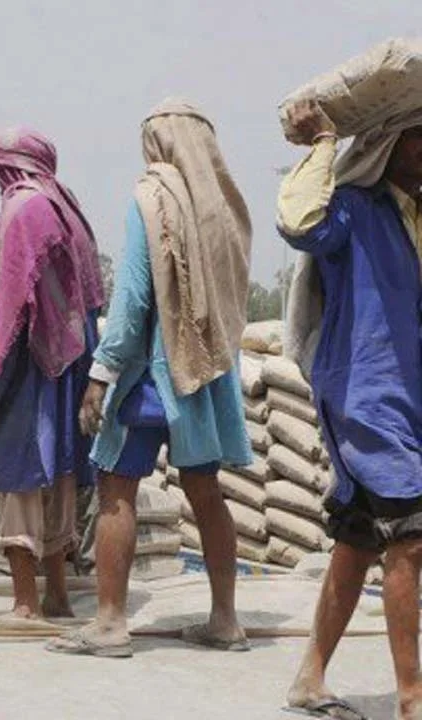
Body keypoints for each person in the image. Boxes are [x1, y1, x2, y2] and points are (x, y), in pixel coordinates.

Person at [52, 99, 254, 659]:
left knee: (117, 489)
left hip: (150, 376)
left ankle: (111, 623)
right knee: (206, 493)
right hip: (207, 374)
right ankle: (226, 620)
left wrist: (101, 373)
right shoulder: (225, 207)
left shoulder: (152, 198)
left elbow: (134, 297)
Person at [279, 99, 422, 720]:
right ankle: (413, 698)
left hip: (409, 397)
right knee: (411, 540)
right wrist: (323, 146)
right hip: (365, 391)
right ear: (391, 144)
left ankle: (310, 678)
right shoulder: (356, 211)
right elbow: (301, 222)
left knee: (359, 538)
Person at [0, 128, 105, 620]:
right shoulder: (65, 204)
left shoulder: (22, 209)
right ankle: (59, 594)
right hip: (71, 360)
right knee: (60, 473)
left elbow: (10, 303)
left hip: (30, 365)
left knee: (19, 476)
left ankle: (25, 602)